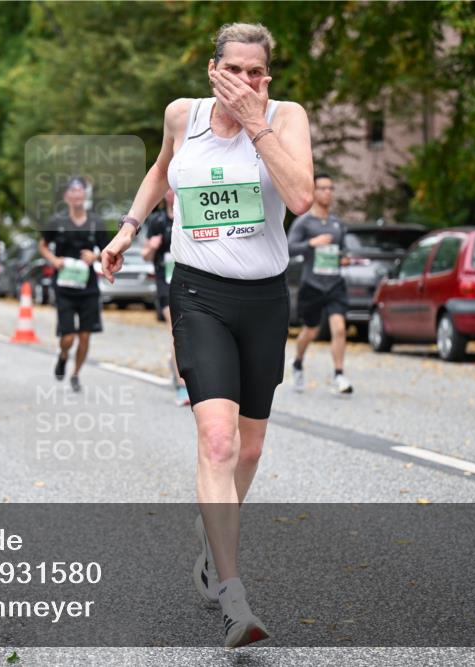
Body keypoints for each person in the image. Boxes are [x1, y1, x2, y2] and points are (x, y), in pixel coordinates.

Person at [100, 22, 313, 648]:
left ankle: (209, 537)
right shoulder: (181, 116)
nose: (246, 82)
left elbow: (300, 196)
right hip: (198, 292)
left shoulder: (286, 117)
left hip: (265, 298)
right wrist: (127, 231)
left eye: (257, 72)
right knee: (217, 444)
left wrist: (257, 122)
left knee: (248, 452)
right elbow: (159, 171)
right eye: (235, 70)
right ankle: (232, 594)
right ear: (211, 69)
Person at [38, 177, 108, 392]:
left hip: (88, 288)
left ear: (85, 195)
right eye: (73, 191)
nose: (77, 195)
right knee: (68, 337)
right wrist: (54, 260)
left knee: (85, 335)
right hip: (64, 287)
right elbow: (42, 245)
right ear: (67, 196)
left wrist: (95, 257)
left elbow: (107, 252)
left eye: (81, 191)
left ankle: (76, 374)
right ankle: (63, 355)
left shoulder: (96, 223)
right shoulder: (56, 222)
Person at [286, 174, 353, 394]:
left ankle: (339, 374)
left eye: (330, 188)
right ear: (313, 192)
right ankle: (297, 363)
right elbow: (288, 247)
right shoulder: (304, 222)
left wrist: (344, 258)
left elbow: (342, 250)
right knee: (311, 330)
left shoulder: (336, 223)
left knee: (340, 328)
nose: (328, 192)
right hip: (312, 285)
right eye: (323, 188)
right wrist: (311, 243)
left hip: (334, 283)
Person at [141, 188, 190, 406]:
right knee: (177, 332)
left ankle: (177, 366)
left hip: (189, 281)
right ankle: (182, 386)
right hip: (165, 284)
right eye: (167, 189)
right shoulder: (157, 220)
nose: (171, 192)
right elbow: (145, 255)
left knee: (189, 333)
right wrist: (151, 248)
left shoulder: (190, 214)